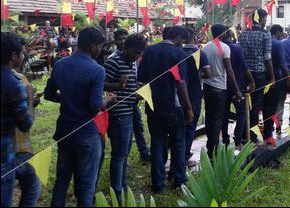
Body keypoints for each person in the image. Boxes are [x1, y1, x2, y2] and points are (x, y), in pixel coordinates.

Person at [44, 27, 112, 207]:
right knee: (86, 184)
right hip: (87, 133)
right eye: (100, 46)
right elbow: (95, 106)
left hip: (65, 131)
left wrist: (68, 99)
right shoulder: (97, 70)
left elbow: (48, 94)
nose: (100, 50)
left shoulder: (60, 64)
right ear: (93, 45)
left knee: (62, 179)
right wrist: (108, 99)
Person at [138, 26, 194, 193]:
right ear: (177, 39)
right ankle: (179, 179)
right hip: (174, 106)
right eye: (183, 42)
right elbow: (181, 83)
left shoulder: (149, 51)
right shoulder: (178, 54)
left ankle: (158, 183)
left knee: (157, 144)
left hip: (153, 105)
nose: (183, 46)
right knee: (178, 143)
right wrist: (189, 108)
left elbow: (141, 78)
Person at [103, 33, 146, 204]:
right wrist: (118, 86)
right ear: (125, 48)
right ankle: (117, 193)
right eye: (134, 52)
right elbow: (102, 82)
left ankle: (123, 184)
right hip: (117, 113)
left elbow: (129, 84)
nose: (137, 56)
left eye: (139, 54)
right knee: (119, 155)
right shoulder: (114, 61)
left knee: (125, 152)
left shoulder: (133, 62)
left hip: (129, 109)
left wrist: (136, 90)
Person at [1, 32, 34, 207]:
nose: (23, 57)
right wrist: (29, 99)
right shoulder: (14, 84)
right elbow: (25, 124)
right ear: (13, 56)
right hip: (3, 157)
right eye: (21, 53)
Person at [202, 24, 243, 158]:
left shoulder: (205, 47)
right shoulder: (224, 48)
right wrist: (237, 90)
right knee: (217, 119)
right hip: (219, 88)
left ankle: (210, 145)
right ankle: (212, 150)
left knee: (209, 117)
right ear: (224, 33)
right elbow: (229, 70)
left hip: (207, 87)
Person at [240, 9, 275, 144]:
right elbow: (267, 57)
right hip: (259, 74)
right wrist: (271, 77)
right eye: (265, 18)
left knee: (245, 104)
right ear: (260, 19)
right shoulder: (265, 35)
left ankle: (243, 134)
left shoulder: (243, 34)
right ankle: (252, 137)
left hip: (245, 73)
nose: (266, 21)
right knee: (255, 105)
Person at [13, 52, 42, 207]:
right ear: (13, 56)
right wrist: (31, 99)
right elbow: (27, 121)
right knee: (32, 187)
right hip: (18, 147)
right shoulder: (18, 79)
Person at [221, 27, 255, 150]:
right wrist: (251, 80)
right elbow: (244, 66)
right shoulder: (236, 47)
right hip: (237, 86)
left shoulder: (215, 48)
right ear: (229, 34)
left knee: (224, 114)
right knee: (241, 114)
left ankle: (224, 140)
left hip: (222, 87)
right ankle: (237, 140)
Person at [182, 28, 211, 166]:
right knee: (191, 125)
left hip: (178, 94)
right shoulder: (199, 53)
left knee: (179, 126)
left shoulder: (178, 52)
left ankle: (178, 156)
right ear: (194, 37)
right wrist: (199, 75)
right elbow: (208, 73)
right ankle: (185, 155)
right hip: (194, 93)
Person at [265, 25, 290, 144]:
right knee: (272, 106)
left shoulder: (265, 40)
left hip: (262, 76)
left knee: (263, 106)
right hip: (276, 76)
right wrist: (288, 77)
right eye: (281, 32)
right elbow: (281, 62)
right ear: (278, 32)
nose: (282, 35)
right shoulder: (278, 43)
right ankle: (268, 133)